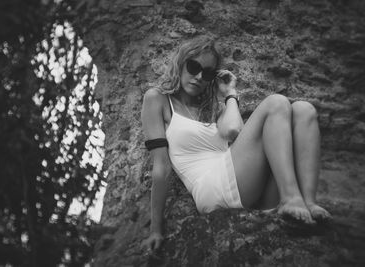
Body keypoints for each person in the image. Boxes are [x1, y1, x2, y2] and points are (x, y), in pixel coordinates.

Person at [140, 35, 331, 252]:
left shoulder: (213, 109)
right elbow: (161, 167)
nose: (199, 76)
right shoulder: (157, 99)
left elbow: (233, 131)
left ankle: (308, 202)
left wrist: (230, 94)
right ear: (180, 63)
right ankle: (290, 198)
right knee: (276, 102)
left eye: (208, 73)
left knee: (304, 110)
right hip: (210, 188)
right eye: (193, 67)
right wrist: (156, 229)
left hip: (243, 184)